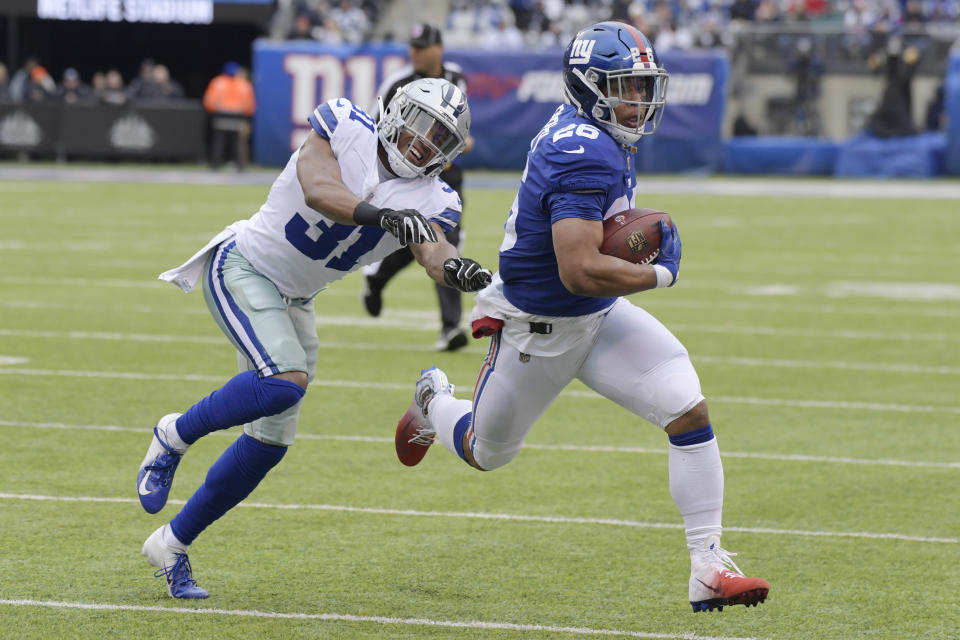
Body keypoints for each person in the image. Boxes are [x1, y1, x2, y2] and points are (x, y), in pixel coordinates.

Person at [394, 21, 770, 613]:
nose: (639, 100)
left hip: (592, 317)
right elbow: (579, 269)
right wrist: (658, 273)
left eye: (643, 87)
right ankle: (431, 402)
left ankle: (708, 567)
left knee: (686, 406)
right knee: (485, 452)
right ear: (589, 86)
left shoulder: (597, 131)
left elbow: (588, 273)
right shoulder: (583, 148)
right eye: (625, 87)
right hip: (538, 326)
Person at [137, 77, 492, 599]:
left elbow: (433, 251)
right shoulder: (345, 124)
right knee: (284, 382)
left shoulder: (435, 197)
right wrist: (381, 215)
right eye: (419, 124)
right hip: (244, 266)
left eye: (439, 136)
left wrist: (458, 270)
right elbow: (318, 186)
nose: (422, 142)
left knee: (269, 444)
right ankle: (174, 433)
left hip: (295, 299)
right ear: (394, 113)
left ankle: (171, 544)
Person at [362, 23, 476, 351]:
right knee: (412, 242)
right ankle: (377, 278)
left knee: (443, 239)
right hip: (406, 176)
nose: (416, 53)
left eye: (422, 46)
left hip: (445, 176)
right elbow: (373, 129)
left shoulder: (456, 76)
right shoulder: (396, 82)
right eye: (412, 46)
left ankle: (450, 326)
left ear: (438, 48)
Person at [203, 61, 257, 171]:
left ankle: (215, 164)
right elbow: (250, 107)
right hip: (238, 118)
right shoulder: (244, 85)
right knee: (237, 143)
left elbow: (209, 102)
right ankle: (239, 166)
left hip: (220, 117)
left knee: (219, 141)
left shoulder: (217, 82)